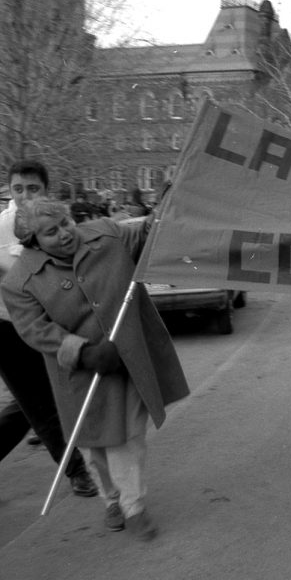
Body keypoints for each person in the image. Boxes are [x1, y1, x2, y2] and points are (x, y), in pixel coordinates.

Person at [1, 196, 190, 541]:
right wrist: (83, 352)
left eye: (65, 223)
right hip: (79, 376)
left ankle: (134, 506)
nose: (64, 234)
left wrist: (169, 203)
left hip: (128, 361)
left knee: (128, 438)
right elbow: (34, 329)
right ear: (33, 241)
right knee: (94, 446)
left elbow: (148, 233)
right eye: (51, 232)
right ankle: (111, 499)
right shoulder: (19, 282)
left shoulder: (106, 234)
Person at [0, 161, 98, 498]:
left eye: (32, 188)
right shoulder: (1, 227)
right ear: (10, 191)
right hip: (8, 329)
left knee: (29, 406)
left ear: (45, 188)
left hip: (50, 323)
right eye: (18, 189)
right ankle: (77, 470)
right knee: (40, 404)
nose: (25, 195)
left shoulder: (54, 221)